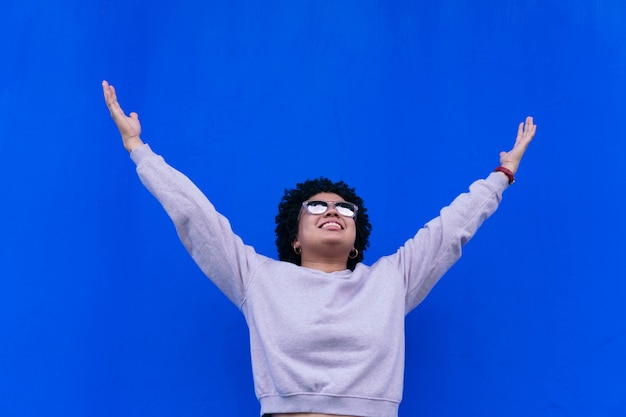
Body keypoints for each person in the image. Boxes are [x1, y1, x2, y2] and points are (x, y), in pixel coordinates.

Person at [102, 80, 536, 417]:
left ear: (355, 236)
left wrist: (503, 173)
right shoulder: (258, 278)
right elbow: (197, 219)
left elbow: (451, 230)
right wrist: (139, 150)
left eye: (344, 208)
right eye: (317, 206)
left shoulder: (392, 280)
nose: (333, 210)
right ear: (294, 236)